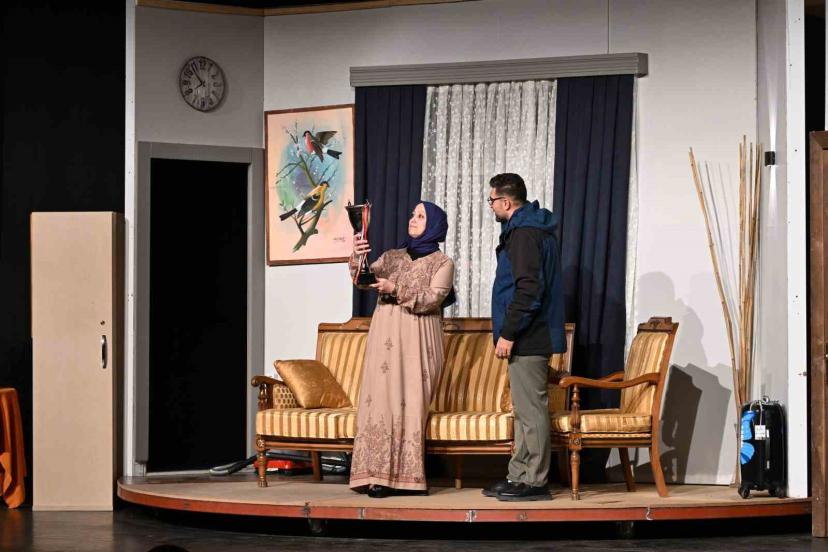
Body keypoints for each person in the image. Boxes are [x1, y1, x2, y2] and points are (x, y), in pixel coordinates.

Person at [348, 201, 456, 498]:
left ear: (434, 225)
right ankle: (376, 475)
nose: (413, 219)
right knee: (381, 402)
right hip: (384, 337)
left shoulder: (442, 263)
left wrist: (394, 288)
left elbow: (432, 298)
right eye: (412, 214)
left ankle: (407, 478)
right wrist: (357, 256)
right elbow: (362, 279)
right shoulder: (392, 256)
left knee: (409, 404)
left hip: (418, 339)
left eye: (421, 216)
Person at [483, 173, 565, 502]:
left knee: (531, 412)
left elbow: (529, 289)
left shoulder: (524, 234)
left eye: (492, 200)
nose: (490, 206)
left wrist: (509, 332)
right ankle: (518, 475)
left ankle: (535, 481)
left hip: (530, 334)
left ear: (506, 202)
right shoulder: (526, 229)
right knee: (523, 411)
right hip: (529, 333)